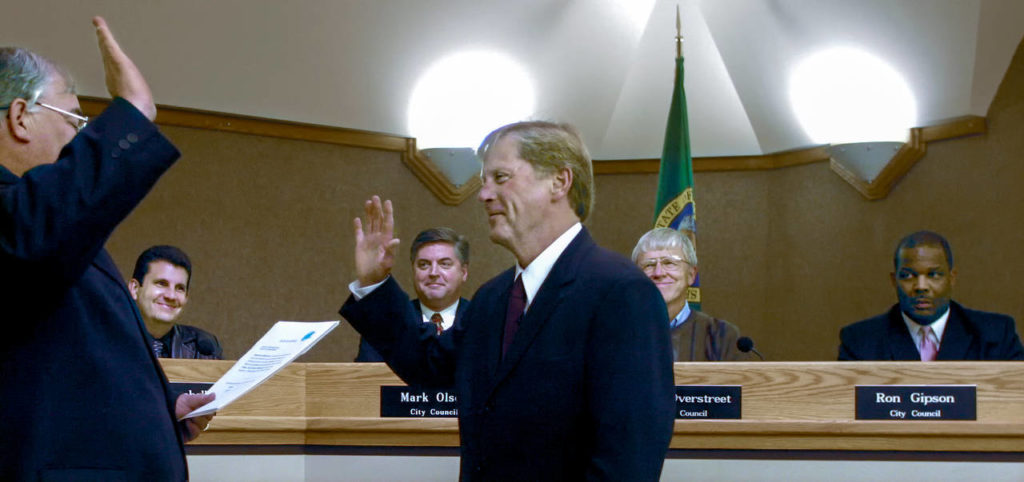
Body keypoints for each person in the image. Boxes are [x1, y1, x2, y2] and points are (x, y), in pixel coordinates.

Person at [341, 121, 675, 480]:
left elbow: (630, 457)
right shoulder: (493, 298)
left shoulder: (620, 292)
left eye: (500, 178)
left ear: (559, 182)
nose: (483, 195)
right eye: (485, 182)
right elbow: (430, 366)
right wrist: (375, 283)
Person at [0, 18, 214, 481]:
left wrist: (160, 410)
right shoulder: (27, 223)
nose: (81, 137)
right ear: (20, 117)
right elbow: (31, 237)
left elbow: (56, 370)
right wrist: (133, 111)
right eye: (76, 120)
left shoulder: (51, 228)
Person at [839, 231, 1024, 361]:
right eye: (908, 275)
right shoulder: (859, 341)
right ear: (894, 280)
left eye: (933, 275)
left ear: (952, 278)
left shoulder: (996, 335)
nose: (921, 287)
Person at [633, 227, 756, 361]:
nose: (658, 273)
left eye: (669, 263)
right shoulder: (615, 331)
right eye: (649, 265)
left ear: (691, 275)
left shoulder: (721, 336)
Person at [355, 227, 470, 362]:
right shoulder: (388, 322)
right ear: (413, 271)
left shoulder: (482, 319)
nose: (433, 273)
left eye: (444, 264)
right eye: (424, 265)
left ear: (464, 272)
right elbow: (365, 378)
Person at [130, 245, 223, 359]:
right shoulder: (107, 339)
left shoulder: (204, 346)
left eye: (179, 288)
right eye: (161, 283)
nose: (171, 296)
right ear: (134, 288)